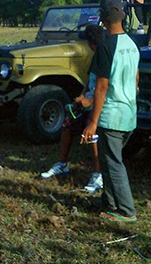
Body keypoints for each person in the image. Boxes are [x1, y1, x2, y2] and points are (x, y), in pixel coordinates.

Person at [81, 0, 140, 222]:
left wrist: (93, 122)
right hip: (128, 113)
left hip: (111, 116)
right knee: (107, 160)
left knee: (113, 163)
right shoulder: (132, 45)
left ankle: (126, 211)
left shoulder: (106, 46)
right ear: (124, 15)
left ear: (102, 19)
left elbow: (102, 86)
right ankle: (110, 204)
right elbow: (136, 77)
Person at [40, 24, 106, 193]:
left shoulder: (105, 57)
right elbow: (89, 82)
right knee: (67, 125)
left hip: (100, 104)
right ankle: (62, 164)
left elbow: (105, 87)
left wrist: (90, 101)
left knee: (92, 134)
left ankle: (98, 175)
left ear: (92, 43)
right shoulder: (95, 57)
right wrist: (81, 97)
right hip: (88, 100)